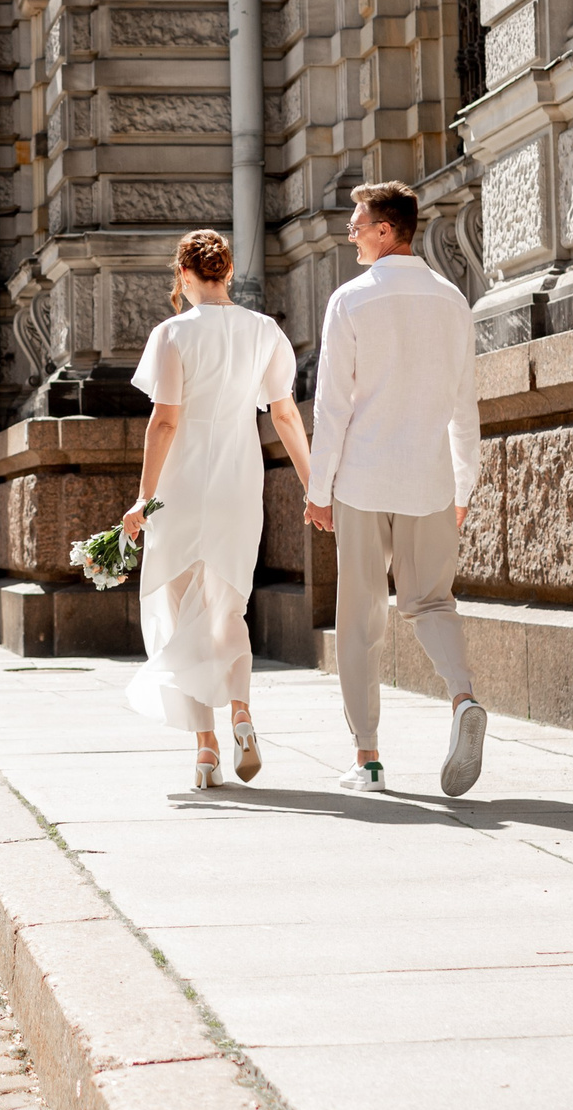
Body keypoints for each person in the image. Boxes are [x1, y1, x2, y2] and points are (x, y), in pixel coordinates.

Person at [304, 180, 484, 797]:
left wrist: (318, 487)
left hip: (362, 478)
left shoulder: (350, 301)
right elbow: (465, 406)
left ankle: (370, 760)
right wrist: (465, 484)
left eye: (358, 224)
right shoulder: (453, 300)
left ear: (387, 230)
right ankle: (463, 699)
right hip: (430, 480)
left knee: (358, 619)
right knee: (433, 603)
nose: (350, 232)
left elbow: (333, 407)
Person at [119, 230, 313, 790]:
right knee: (228, 609)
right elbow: (283, 416)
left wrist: (141, 497)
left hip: (181, 485)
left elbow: (165, 420)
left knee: (181, 615)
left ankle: (206, 751)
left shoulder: (172, 333)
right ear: (227, 274)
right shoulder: (265, 331)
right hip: (236, 479)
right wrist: (311, 486)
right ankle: (243, 715)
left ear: (182, 276)